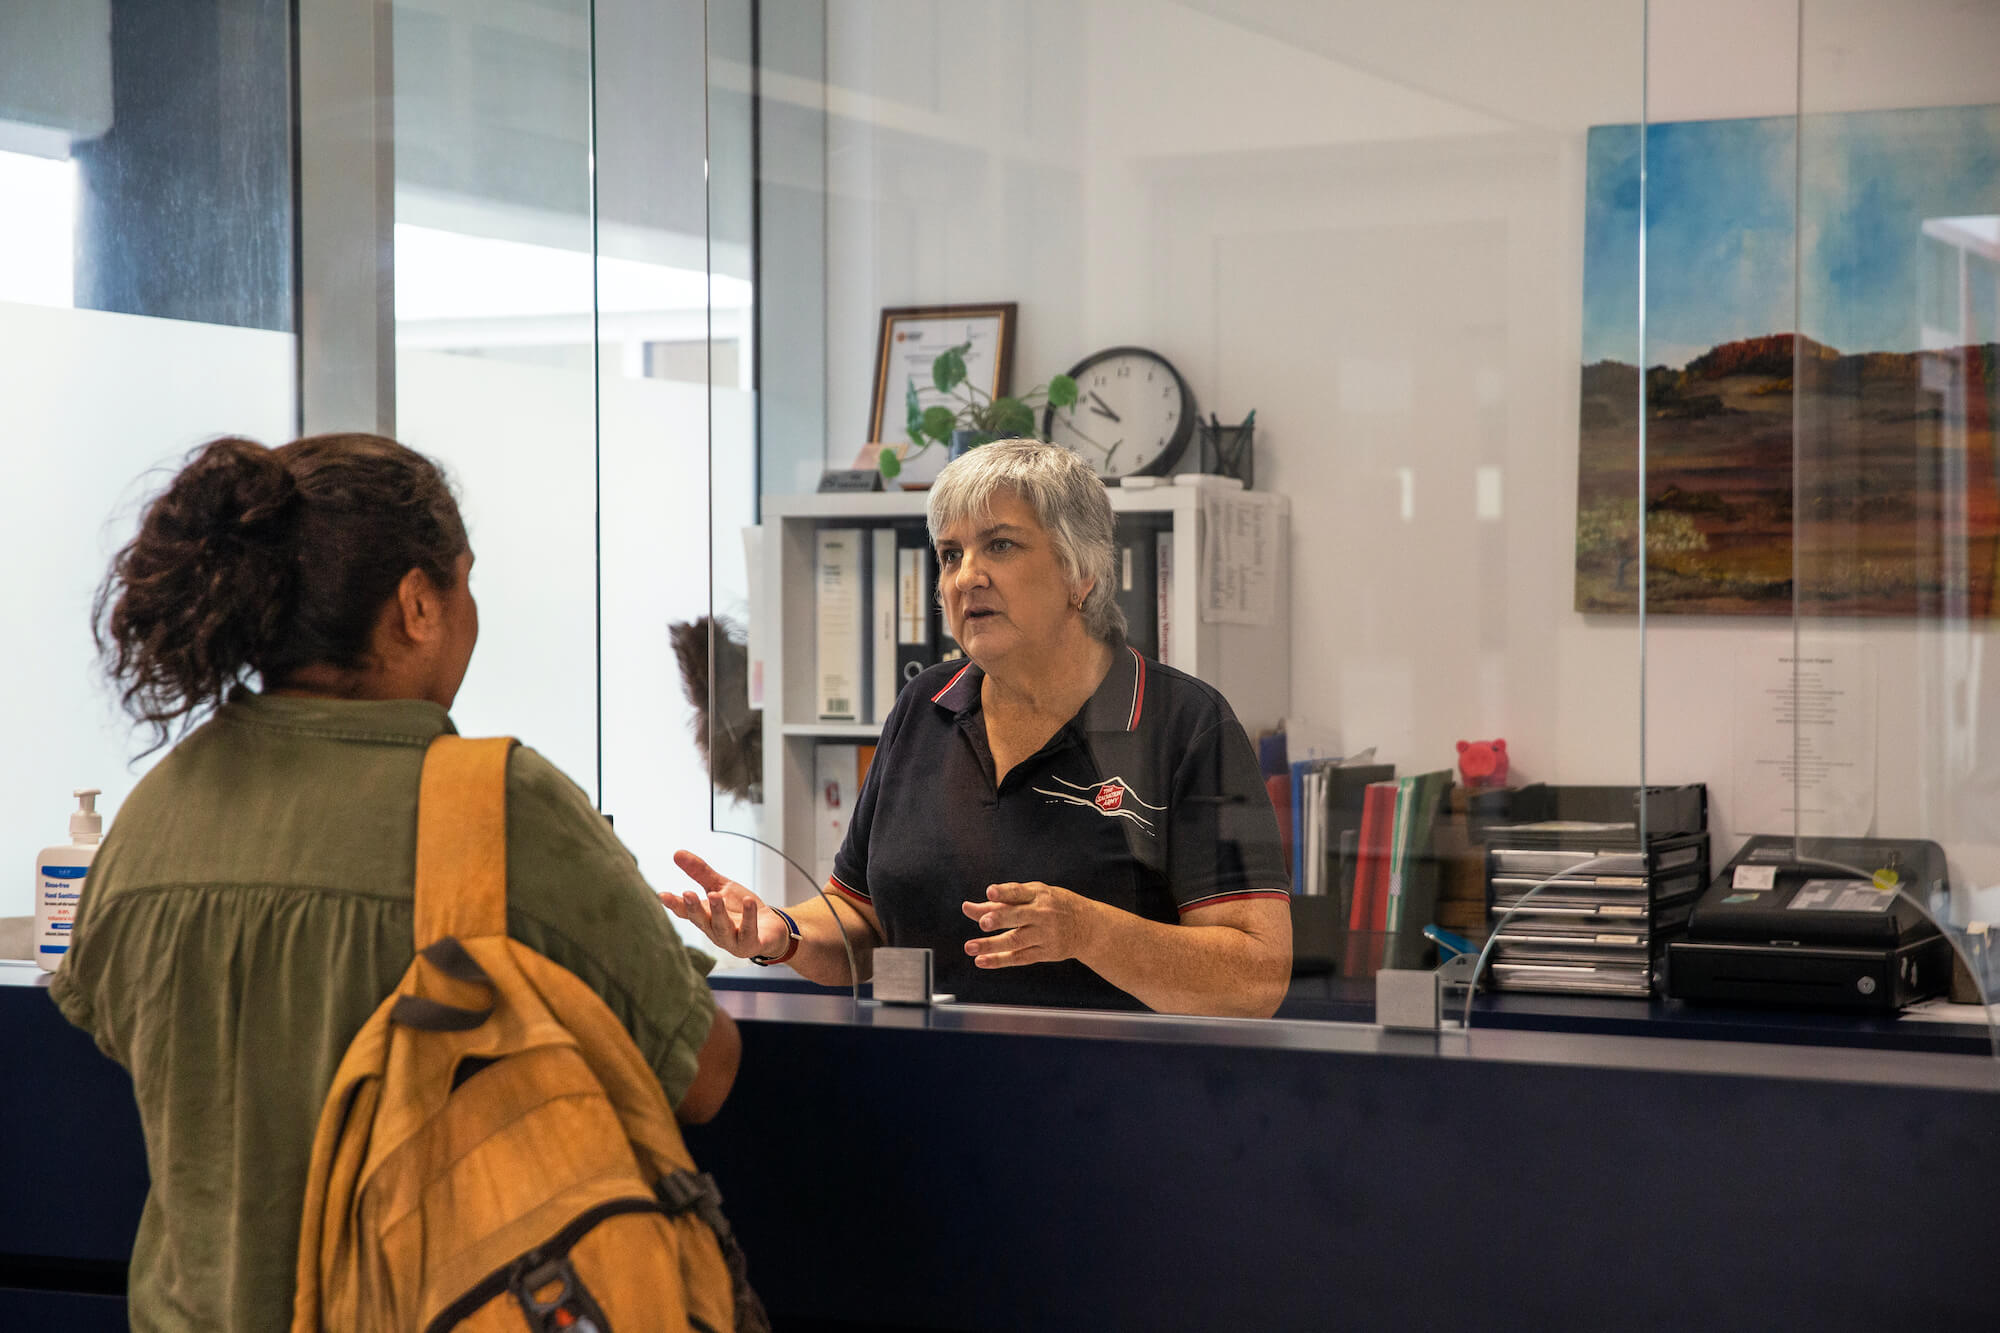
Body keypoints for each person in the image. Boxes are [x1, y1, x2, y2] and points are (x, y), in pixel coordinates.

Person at [52, 433, 735, 1333]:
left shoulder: (154, 817)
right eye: (465, 582)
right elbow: (702, 1073)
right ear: (417, 603)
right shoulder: (498, 807)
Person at [669, 439, 1292, 1016]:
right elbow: (863, 921)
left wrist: (1088, 931)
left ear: (1082, 573)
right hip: (937, 1098)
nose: (966, 576)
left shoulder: (1186, 725)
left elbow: (1257, 979)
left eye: (1000, 545)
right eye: (950, 554)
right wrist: (782, 932)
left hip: (1118, 1110)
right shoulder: (924, 705)